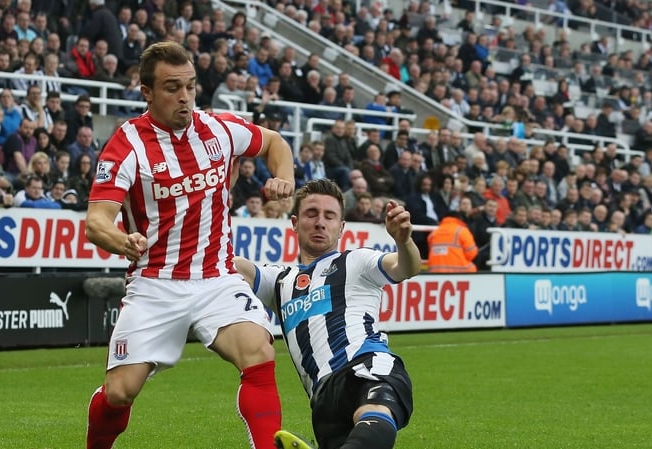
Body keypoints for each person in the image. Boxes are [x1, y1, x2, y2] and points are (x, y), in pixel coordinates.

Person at [84, 41, 294, 449]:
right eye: (171, 88)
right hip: (155, 282)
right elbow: (96, 221)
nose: (184, 97)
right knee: (119, 393)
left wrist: (282, 176)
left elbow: (274, 143)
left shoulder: (217, 129)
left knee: (258, 350)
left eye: (191, 87)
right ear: (147, 92)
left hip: (216, 276)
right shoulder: (128, 144)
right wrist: (121, 240)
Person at [233, 178, 418, 449]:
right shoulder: (280, 281)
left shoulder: (356, 261)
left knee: (376, 413)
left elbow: (406, 267)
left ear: (341, 227)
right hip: (323, 400)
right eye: (311, 214)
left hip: (366, 365)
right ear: (294, 223)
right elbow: (230, 265)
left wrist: (405, 242)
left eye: (329, 216)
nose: (320, 222)